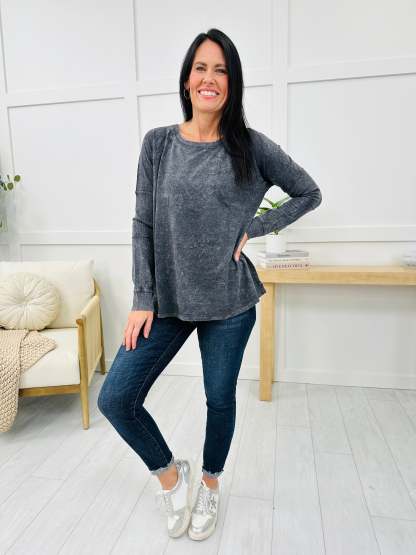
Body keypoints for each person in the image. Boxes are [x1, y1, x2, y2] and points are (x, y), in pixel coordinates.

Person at [97, 28, 322, 542]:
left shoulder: (252, 147)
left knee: (219, 399)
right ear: (187, 79)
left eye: (221, 70)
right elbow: (143, 223)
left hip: (229, 302)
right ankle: (170, 475)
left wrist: (256, 227)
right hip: (167, 299)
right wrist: (142, 298)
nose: (209, 78)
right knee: (116, 397)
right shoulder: (158, 144)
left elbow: (308, 192)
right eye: (201, 67)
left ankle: (211, 483)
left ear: (232, 83)